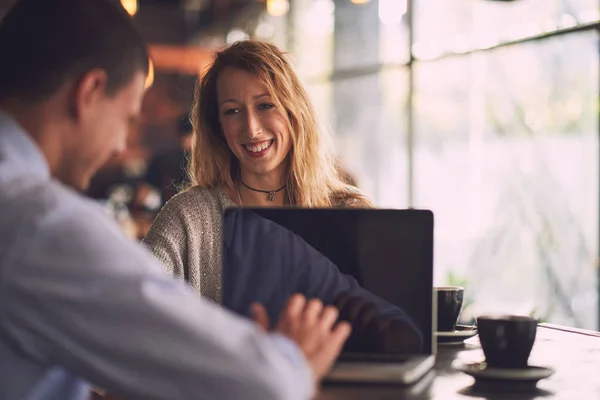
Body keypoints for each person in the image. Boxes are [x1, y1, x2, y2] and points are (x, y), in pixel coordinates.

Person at [0, 1, 351, 400]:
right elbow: (267, 383)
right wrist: (293, 355)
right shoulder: (40, 224)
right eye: (127, 118)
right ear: (90, 93)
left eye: (266, 104)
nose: (119, 144)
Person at [144, 40, 373, 303]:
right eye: (232, 111)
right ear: (217, 126)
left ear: (293, 110)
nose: (251, 129)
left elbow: (392, 329)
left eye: (265, 105)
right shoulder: (188, 220)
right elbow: (132, 317)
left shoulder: (351, 213)